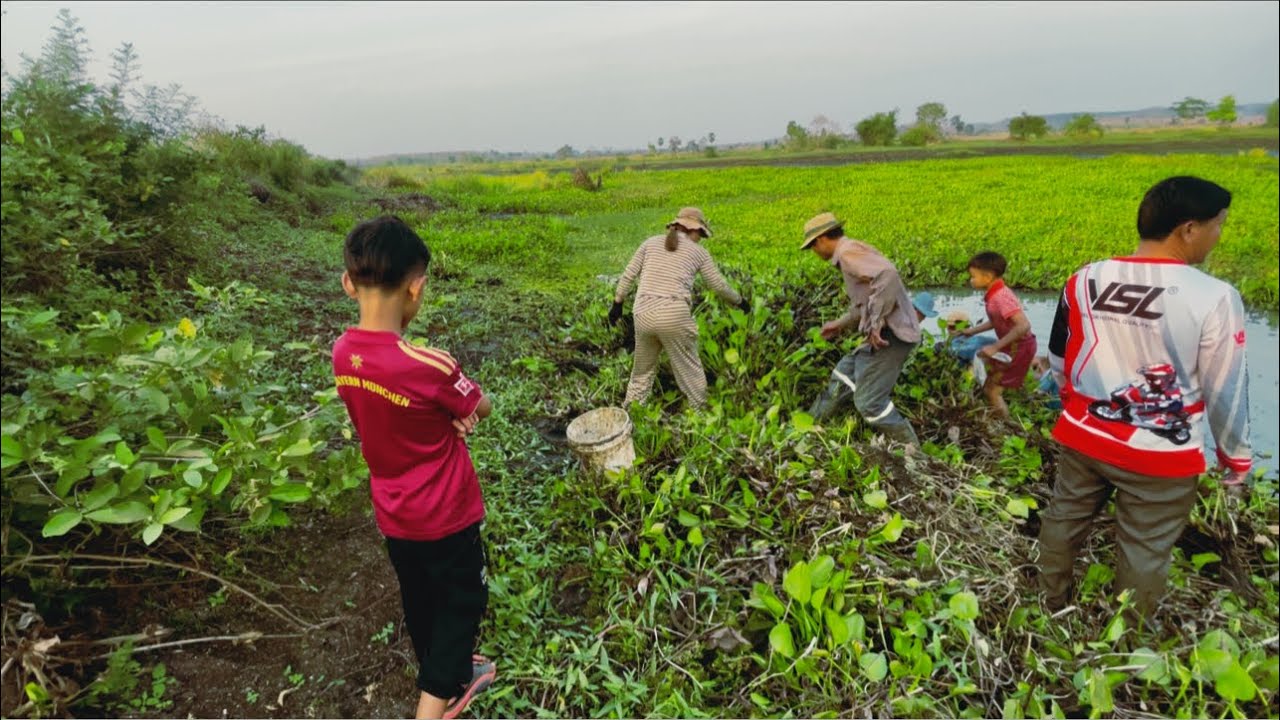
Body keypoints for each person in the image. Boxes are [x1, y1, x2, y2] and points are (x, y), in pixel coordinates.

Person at [1038, 176, 1252, 619]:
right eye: (1218, 225)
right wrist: (1236, 464)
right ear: (1189, 229)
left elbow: (1059, 353)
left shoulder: (1085, 279)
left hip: (1083, 438)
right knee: (1144, 551)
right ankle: (1127, 641)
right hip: (1159, 460)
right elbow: (1225, 391)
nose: (1218, 236)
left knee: (1063, 520)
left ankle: (1047, 604)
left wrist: (1072, 405)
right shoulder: (1214, 297)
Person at [332, 216, 496, 719]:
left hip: (394, 514)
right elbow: (480, 405)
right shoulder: (431, 365)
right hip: (446, 514)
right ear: (416, 287)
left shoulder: (343, 354)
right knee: (463, 602)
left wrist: (441, 420)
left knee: (421, 599)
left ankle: (444, 670)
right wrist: (459, 414)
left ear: (348, 284)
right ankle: (435, 705)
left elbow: (390, 416)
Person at [802, 212, 920, 447]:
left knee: (869, 403)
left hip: (890, 335)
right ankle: (806, 430)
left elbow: (888, 275)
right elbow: (865, 302)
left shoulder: (848, 252)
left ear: (822, 239)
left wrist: (875, 323)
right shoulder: (849, 254)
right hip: (880, 334)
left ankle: (913, 451)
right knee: (843, 377)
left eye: (812, 246)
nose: (814, 253)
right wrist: (840, 324)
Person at [609, 207, 747, 408]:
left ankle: (631, 413)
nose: (699, 239)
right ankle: (699, 417)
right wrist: (740, 302)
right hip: (673, 315)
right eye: (700, 235)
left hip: (643, 314)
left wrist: (617, 304)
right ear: (694, 231)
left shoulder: (650, 243)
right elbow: (718, 286)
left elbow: (629, 275)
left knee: (641, 373)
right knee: (690, 373)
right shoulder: (699, 252)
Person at [954, 251, 1037, 418]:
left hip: (1017, 347)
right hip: (1013, 345)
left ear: (988, 276)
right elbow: (997, 320)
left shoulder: (1000, 297)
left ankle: (1004, 426)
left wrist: (995, 347)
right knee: (994, 380)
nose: (971, 280)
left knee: (991, 390)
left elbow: (1023, 325)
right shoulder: (996, 294)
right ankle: (1016, 405)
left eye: (973, 276)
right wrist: (971, 331)